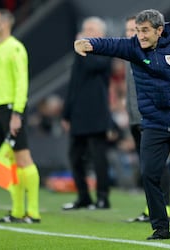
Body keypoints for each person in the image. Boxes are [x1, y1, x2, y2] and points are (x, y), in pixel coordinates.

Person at [74, 9, 170, 240]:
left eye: (145, 31)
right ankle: (161, 228)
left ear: (159, 31)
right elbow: (111, 45)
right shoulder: (133, 47)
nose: (139, 35)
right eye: (138, 30)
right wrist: (89, 43)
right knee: (149, 174)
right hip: (154, 123)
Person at [0, 9, 41, 223]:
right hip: (0, 109)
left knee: (23, 157)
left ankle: (33, 212)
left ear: (5, 24)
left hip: (12, 109)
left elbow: (21, 82)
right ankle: (17, 211)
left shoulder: (15, 47)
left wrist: (17, 112)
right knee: (12, 162)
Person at [61, 16, 113, 210]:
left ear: (101, 33)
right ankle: (83, 196)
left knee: (99, 157)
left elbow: (94, 66)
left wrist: (84, 47)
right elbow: (73, 85)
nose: (87, 33)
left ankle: (102, 197)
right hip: (78, 114)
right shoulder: (79, 54)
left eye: (91, 29)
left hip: (96, 112)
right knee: (74, 157)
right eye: (85, 29)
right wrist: (66, 114)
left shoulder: (106, 49)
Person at [124, 15, 170, 222]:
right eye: (128, 31)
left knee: (157, 164)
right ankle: (151, 207)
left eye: (135, 30)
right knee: (147, 165)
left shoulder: (152, 54)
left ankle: (165, 207)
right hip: (135, 117)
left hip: (150, 118)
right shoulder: (130, 54)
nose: (131, 35)